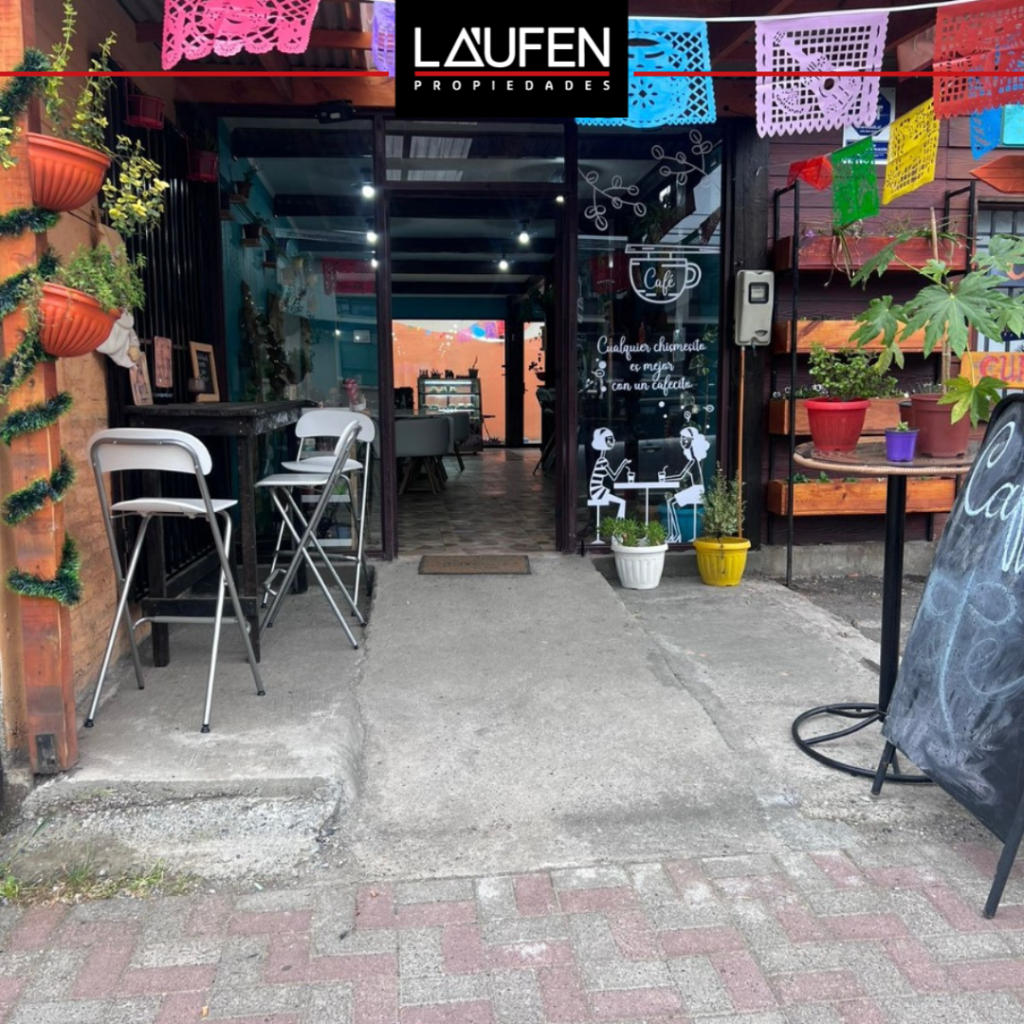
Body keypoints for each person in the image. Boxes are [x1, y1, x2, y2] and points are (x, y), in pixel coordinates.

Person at [663, 426, 710, 542]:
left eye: (685, 439)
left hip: (697, 490)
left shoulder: (693, 460)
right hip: (695, 489)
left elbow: (681, 476)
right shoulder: (693, 459)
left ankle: (675, 535)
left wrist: (666, 479)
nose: (682, 441)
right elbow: (682, 476)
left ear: (692, 441)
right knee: (671, 503)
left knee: (671, 503)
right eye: (682, 439)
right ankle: (674, 535)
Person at [589, 427, 630, 521]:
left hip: (597, 489)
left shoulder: (601, 459)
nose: (613, 441)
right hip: (597, 491)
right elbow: (614, 476)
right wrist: (623, 463)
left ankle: (618, 525)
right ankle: (619, 526)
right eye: (610, 439)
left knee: (621, 502)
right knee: (622, 502)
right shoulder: (602, 460)